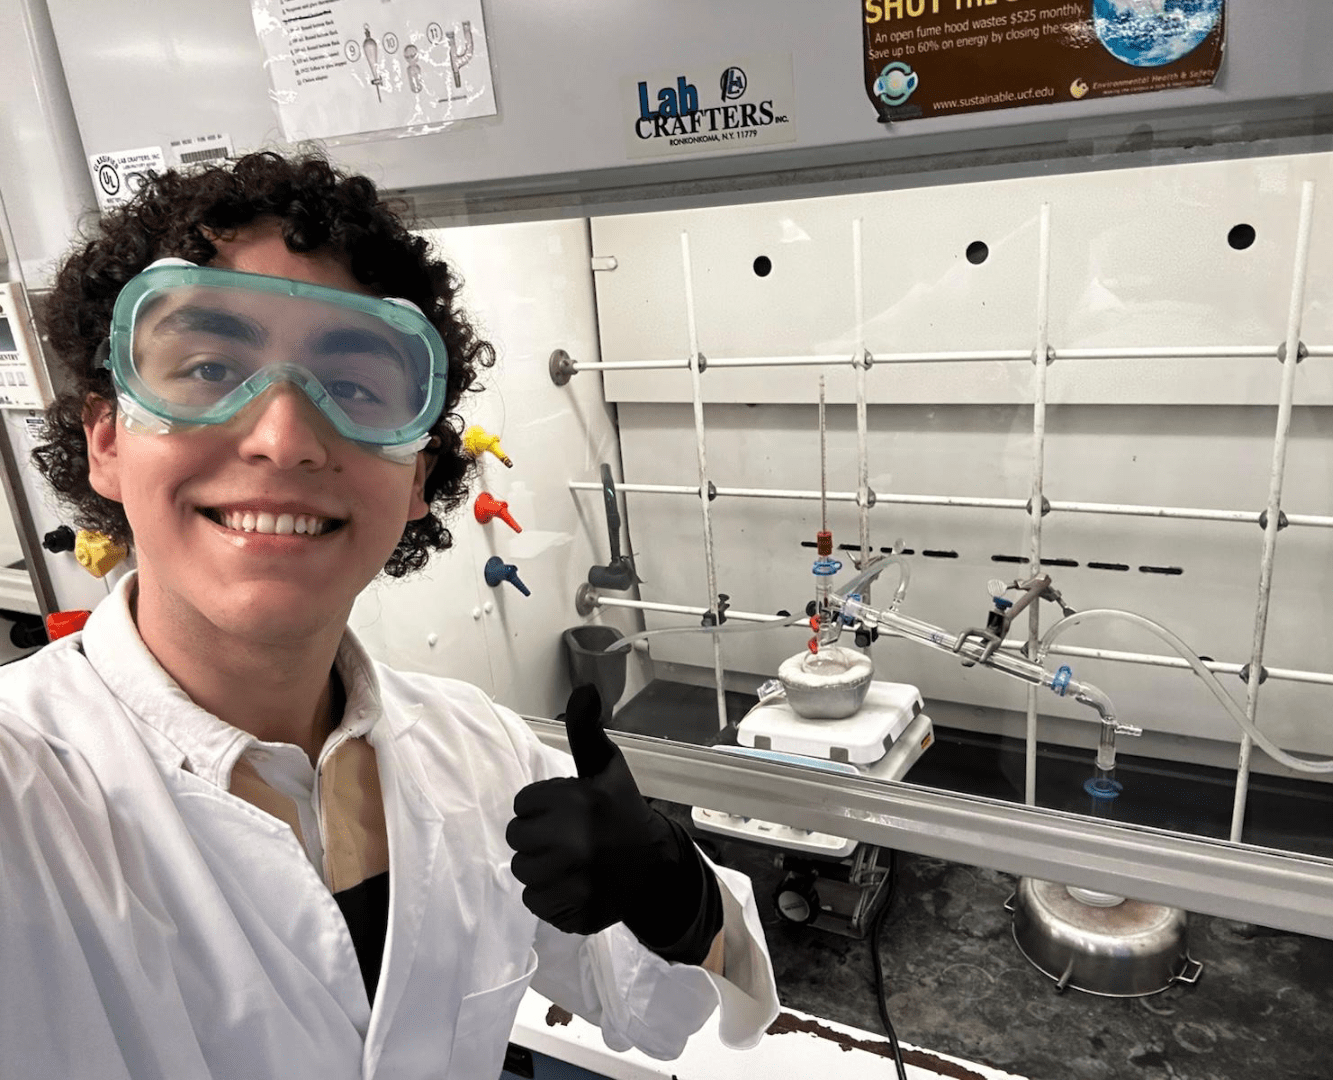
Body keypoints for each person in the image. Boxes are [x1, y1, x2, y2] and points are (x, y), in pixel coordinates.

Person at [0, 151, 777, 1079]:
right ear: (106, 441)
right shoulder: (26, 792)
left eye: (356, 388)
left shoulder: (481, 754)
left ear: (416, 478)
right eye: (210, 368)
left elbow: (667, 1014)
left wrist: (675, 889)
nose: (284, 438)